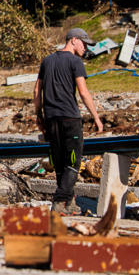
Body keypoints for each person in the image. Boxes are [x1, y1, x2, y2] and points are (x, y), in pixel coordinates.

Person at [33, 27, 103, 215]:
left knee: (60, 161)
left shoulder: (47, 61)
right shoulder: (75, 62)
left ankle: (69, 203)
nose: (85, 48)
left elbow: (36, 91)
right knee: (73, 162)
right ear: (73, 40)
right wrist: (96, 117)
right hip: (70, 118)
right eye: (84, 43)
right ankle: (58, 200)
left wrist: (39, 116)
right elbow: (83, 92)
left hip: (51, 119)